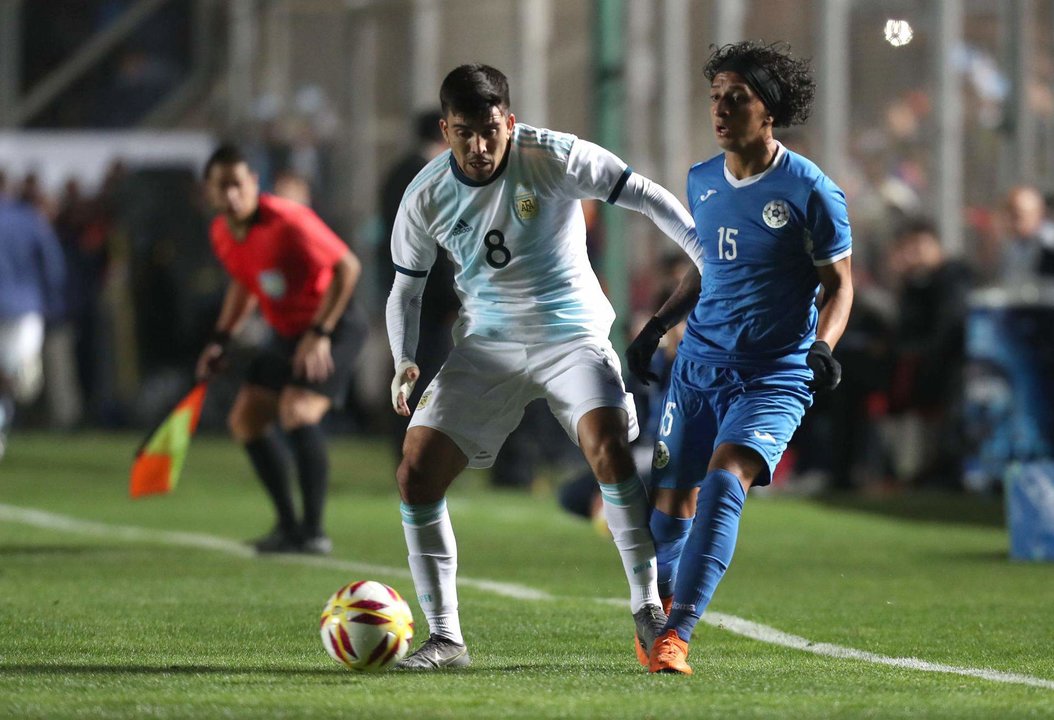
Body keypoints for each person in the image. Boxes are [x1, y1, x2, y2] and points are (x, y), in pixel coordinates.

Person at [385, 63, 702, 669]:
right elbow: (405, 289)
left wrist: (701, 251)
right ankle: (446, 638)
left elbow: (644, 194)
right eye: (462, 133)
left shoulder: (552, 154)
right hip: (488, 345)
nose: (478, 147)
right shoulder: (425, 193)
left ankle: (647, 610)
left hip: (571, 335)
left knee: (607, 448)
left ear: (508, 118)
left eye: (488, 130)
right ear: (445, 129)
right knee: (416, 473)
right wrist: (404, 358)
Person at [624, 41, 854, 674]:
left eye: (737, 98)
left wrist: (824, 347)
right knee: (668, 513)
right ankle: (671, 594)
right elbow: (707, 270)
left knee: (725, 483)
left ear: (769, 109)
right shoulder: (701, 181)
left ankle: (677, 635)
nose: (721, 110)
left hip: (774, 375)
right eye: (715, 98)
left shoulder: (811, 190)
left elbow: (840, 286)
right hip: (697, 367)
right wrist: (656, 328)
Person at [195, 144, 365, 555]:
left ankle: (314, 531)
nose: (232, 195)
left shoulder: (290, 220)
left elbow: (349, 268)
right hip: (288, 333)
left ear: (255, 182)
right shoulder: (222, 232)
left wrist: (321, 332)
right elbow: (244, 283)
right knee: (245, 420)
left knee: (296, 410)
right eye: (223, 188)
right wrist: (221, 339)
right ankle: (289, 528)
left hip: (334, 326)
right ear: (210, 193)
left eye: (238, 184)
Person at [378, 110, 461, 454]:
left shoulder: (395, 174)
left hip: (401, 288)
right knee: (427, 374)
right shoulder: (433, 176)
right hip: (430, 295)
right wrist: (451, 298)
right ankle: (418, 451)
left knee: (404, 366)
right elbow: (437, 244)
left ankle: (402, 446)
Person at [886, 218, 971, 487]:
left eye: (920, 246)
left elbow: (948, 327)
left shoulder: (953, 275)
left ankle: (944, 469)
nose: (915, 254)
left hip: (952, 364)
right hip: (926, 366)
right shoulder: (918, 284)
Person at [0, 189, 67, 459]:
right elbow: (52, 262)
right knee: (23, 379)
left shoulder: (27, 219)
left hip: (18, 305)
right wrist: (53, 300)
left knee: (10, 376)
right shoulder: (29, 220)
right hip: (26, 306)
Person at [996, 185, 1054, 286]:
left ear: (1038, 213)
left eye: (1017, 215)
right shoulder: (1014, 245)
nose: (1012, 221)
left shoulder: (1048, 245)